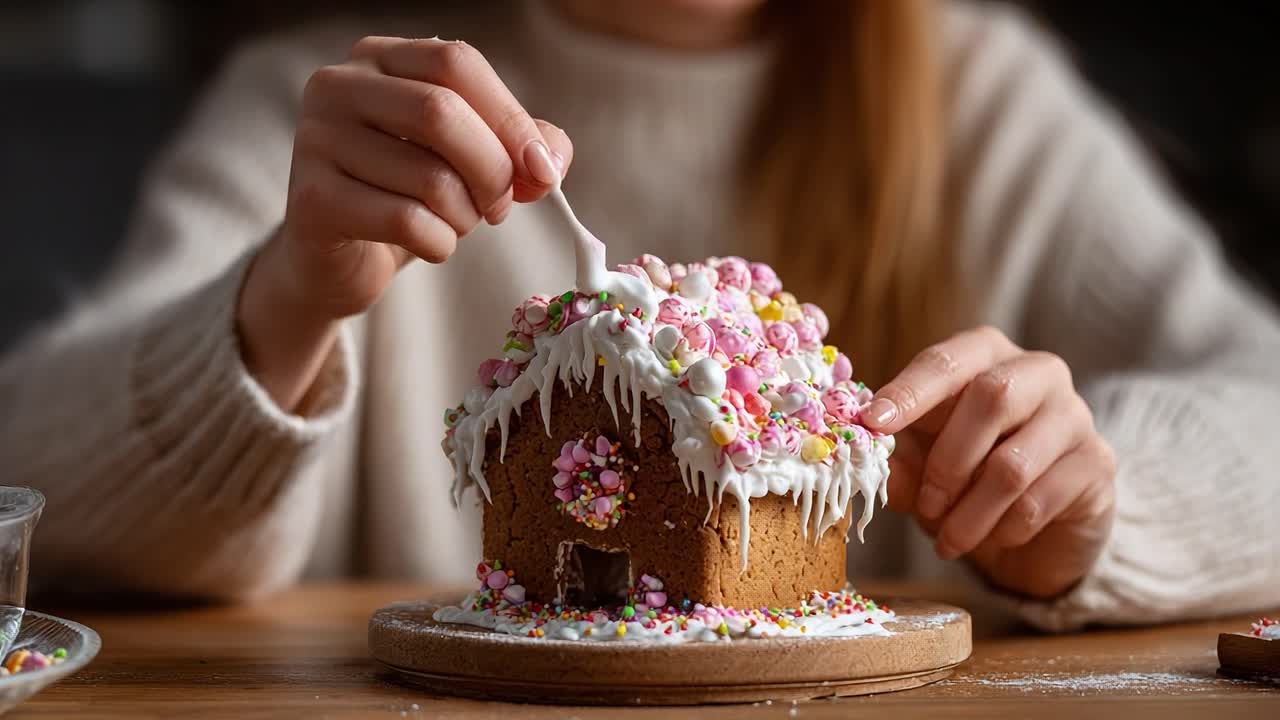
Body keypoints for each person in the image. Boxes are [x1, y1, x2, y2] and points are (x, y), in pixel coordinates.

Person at [2, 0, 1276, 631]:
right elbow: (25, 479)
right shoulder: (339, 107)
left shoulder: (978, 102)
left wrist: (1098, 510)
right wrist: (284, 303)